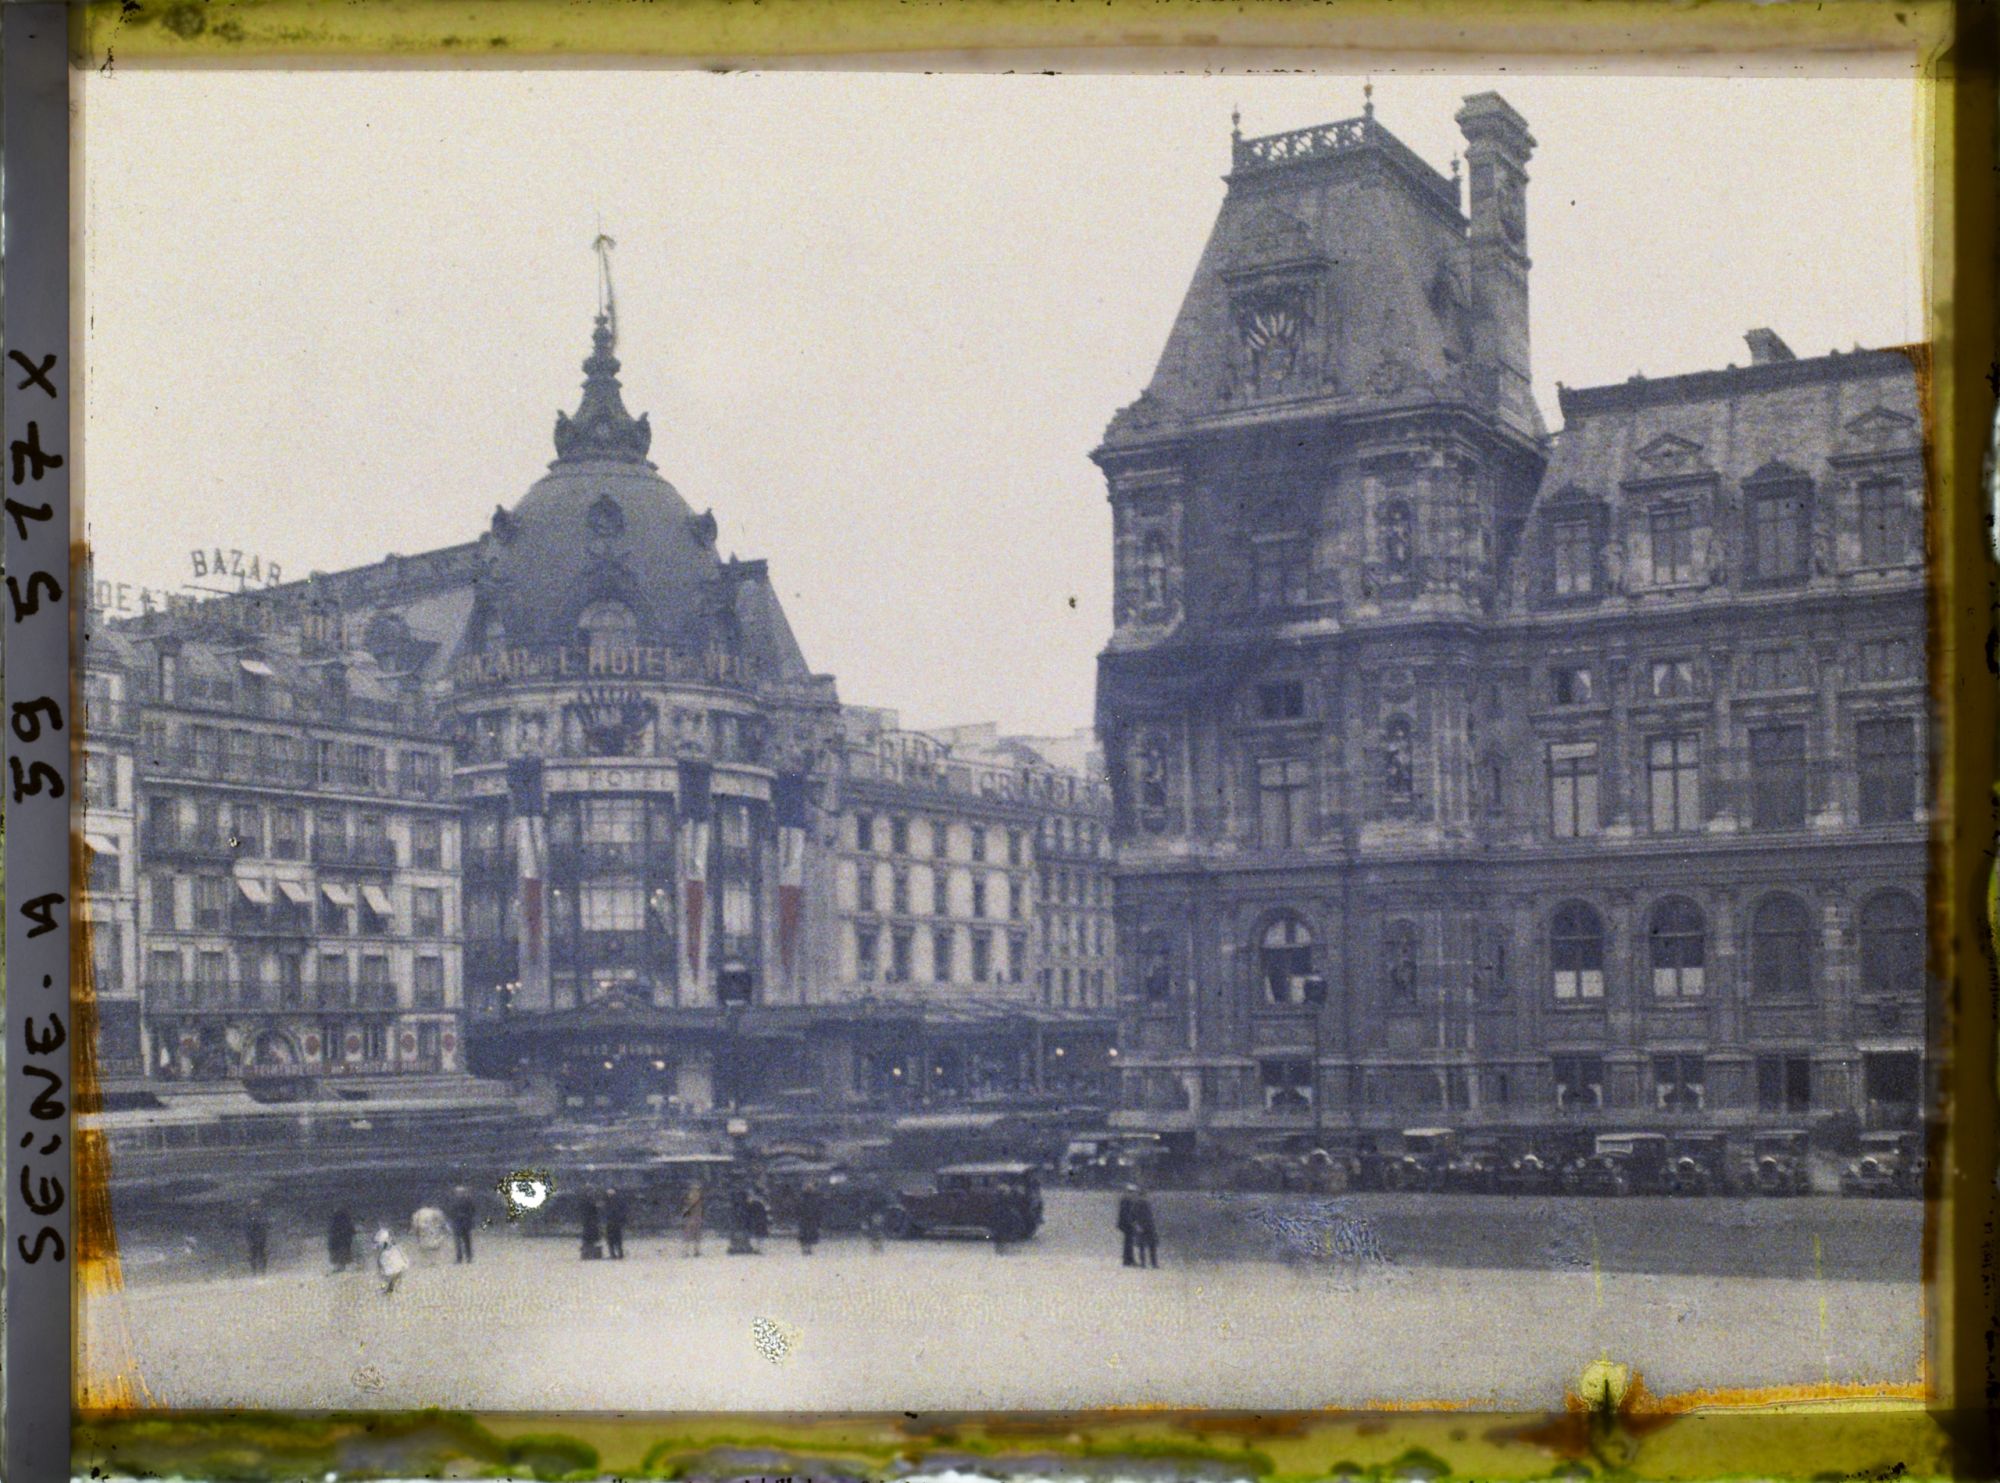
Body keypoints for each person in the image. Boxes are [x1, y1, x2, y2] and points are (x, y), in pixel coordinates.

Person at [374, 1226, 409, 1296]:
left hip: (394, 1269)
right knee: (390, 1279)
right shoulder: (391, 1251)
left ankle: (389, 1290)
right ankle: (389, 1289)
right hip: (395, 1269)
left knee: (390, 1279)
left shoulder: (392, 1251)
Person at [449, 1186, 477, 1264]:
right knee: (459, 1241)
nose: (459, 1194)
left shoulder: (467, 1201)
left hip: (464, 1223)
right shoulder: (456, 1201)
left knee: (466, 1241)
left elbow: (472, 1211)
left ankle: (467, 1257)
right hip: (459, 1223)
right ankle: (461, 1257)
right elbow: (451, 1211)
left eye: (460, 1192)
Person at [1133, 1187, 1159, 1269]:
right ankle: (1148, 1263)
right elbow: (1134, 1217)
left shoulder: (1146, 1203)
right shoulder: (1139, 1204)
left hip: (1148, 1226)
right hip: (1144, 1226)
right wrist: (1137, 1226)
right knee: (1145, 1246)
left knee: (1149, 1246)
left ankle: (1150, 1263)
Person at [796, 1182, 823, 1256]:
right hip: (810, 1219)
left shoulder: (801, 1198)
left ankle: (805, 1249)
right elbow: (817, 1210)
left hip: (805, 1219)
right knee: (808, 1235)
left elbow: (797, 1209)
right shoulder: (814, 1199)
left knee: (805, 1235)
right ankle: (807, 1249)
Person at [1115, 1186, 1140, 1267]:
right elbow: (1126, 1214)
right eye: (1133, 1192)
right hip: (1127, 1224)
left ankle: (1127, 1260)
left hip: (1125, 1224)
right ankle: (1129, 1260)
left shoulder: (1125, 1199)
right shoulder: (1127, 1200)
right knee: (1129, 1242)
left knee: (1128, 1242)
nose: (1134, 1194)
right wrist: (1131, 1223)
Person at [245, 1199, 271, 1275]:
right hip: (253, 1239)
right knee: (253, 1256)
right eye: (253, 1206)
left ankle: (263, 1271)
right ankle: (254, 1271)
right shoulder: (249, 1217)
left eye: (257, 1206)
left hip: (261, 1239)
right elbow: (247, 1228)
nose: (255, 1208)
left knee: (263, 1255)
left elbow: (267, 1226)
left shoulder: (262, 1216)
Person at [328, 1207, 357, 1272]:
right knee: (343, 1254)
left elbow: (332, 1233)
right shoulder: (346, 1222)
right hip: (344, 1242)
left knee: (339, 1255)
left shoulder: (334, 1223)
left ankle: (339, 1268)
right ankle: (341, 1267)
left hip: (337, 1242)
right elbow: (353, 1231)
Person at [680, 1181, 704, 1258]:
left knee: (690, 1235)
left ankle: (689, 1251)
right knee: (694, 1235)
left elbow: (686, 1210)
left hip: (692, 1218)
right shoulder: (696, 1198)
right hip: (694, 1218)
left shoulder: (689, 1199)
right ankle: (693, 1251)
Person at [603, 1187, 628, 1260]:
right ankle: (619, 1253)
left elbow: (609, 1212)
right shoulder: (619, 1201)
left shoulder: (610, 1202)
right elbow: (623, 1211)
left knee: (611, 1239)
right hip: (617, 1223)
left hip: (612, 1223)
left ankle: (613, 1254)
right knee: (618, 1239)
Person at [579, 1192, 603, 1260]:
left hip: (589, 1225)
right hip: (590, 1225)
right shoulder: (590, 1206)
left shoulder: (585, 1205)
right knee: (590, 1240)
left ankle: (587, 1253)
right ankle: (589, 1253)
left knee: (589, 1240)